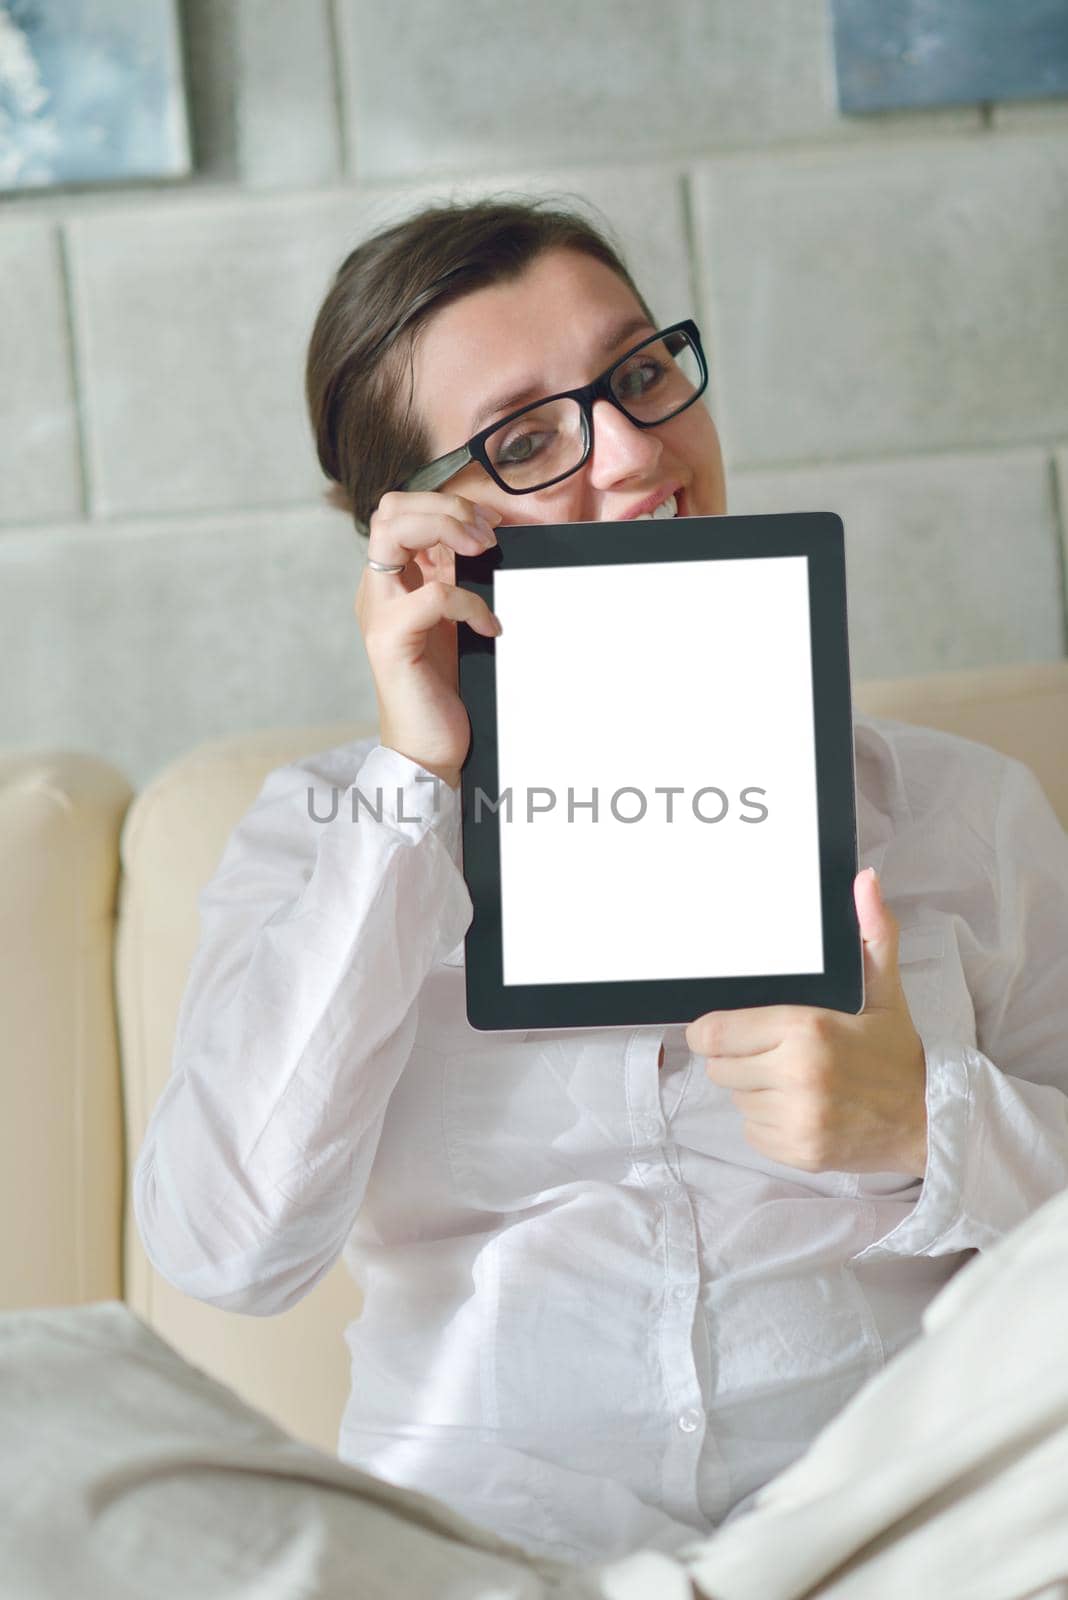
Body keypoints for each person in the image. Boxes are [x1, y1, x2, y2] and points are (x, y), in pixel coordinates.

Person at [133, 197, 1068, 1569]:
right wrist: (416, 782)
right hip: (486, 1550)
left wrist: (923, 1123)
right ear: (414, 527)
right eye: (525, 438)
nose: (637, 450)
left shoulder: (959, 809)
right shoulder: (319, 834)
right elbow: (226, 1251)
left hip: (899, 1532)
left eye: (640, 373)